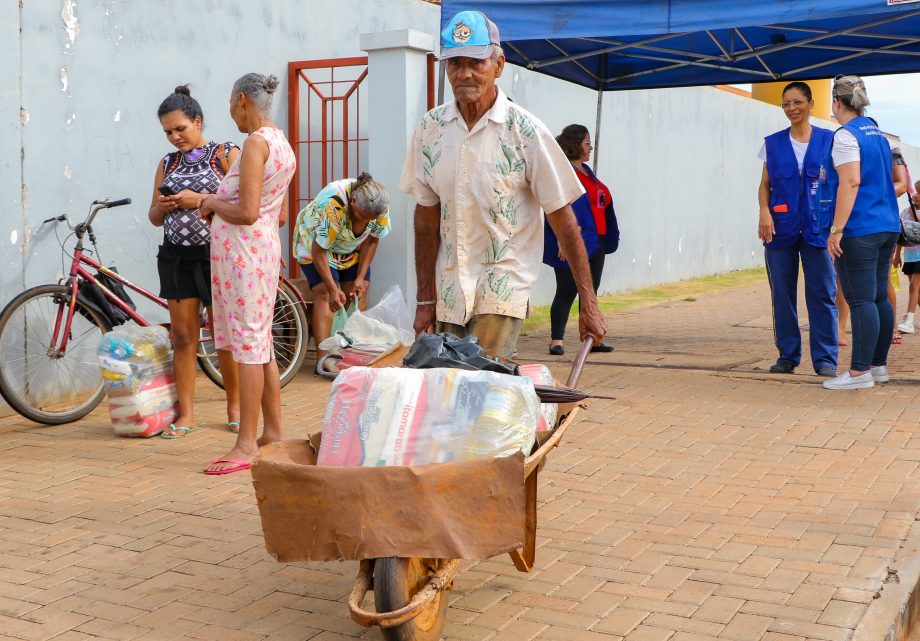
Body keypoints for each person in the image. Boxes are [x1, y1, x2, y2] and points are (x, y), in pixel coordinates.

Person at [400, 10, 607, 358]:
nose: (464, 73)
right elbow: (426, 218)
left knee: (484, 396)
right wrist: (424, 299)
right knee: (449, 395)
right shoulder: (430, 130)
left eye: (475, 63)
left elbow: (563, 218)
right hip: (449, 291)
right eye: (455, 64)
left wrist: (589, 302)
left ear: (498, 65)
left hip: (502, 289)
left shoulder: (526, 132)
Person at [198, 73, 296, 473]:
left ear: (241, 100)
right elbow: (279, 213)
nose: (230, 113)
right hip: (257, 252)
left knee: (249, 347)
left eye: (229, 104)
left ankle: (246, 445)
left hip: (245, 256)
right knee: (260, 343)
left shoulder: (256, 144)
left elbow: (247, 212)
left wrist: (206, 200)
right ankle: (271, 432)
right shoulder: (281, 143)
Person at [147, 85, 240, 438]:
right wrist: (164, 206)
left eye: (180, 129)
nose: (174, 137)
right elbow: (153, 216)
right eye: (168, 132)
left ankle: (234, 406)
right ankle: (185, 415)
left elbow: (244, 202)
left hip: (215, 257)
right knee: (183, 337)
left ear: (197, 121)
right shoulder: (167, 163)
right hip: (175, 257)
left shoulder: (226, 154)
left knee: (223, 336)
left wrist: (197, 199)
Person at [819, 75, 900, 390]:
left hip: (861, 228)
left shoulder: (846, 135)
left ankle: (858, 373)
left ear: (836, 103)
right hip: (887, 225)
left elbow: (850, 183)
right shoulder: (877, 133)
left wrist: (836, 229)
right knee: (879, 297)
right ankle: (878, 367)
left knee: (861, 299)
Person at [756, 81, 837, 377]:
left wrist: (837, 227)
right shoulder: (772, 143)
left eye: (797, 102)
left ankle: (826, 359)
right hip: (779, 229)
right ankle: (788, 356)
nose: (792, 109)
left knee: (823, 293)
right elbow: (764, 185)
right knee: (782, 294)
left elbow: (840, 184)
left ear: (811, 104)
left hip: (819, 229)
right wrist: (764, 212)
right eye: (786, 104)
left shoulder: (830, 140)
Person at [291, 174, 391, 373]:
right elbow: (319, 251)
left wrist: (361, 279)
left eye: (372, 219)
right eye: (363, 217)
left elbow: (372, 240)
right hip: (315, 244)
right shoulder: (334, 205)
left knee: (355, 293)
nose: (368, 222)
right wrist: (331, 286)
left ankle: (351, 354)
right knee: (328, 295)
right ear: (353, 203)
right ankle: (324, 360)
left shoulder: (378, 205)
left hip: (349, 246)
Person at [544, 124, 619, 355]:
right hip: (573, 241)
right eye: (587, 142)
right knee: (566, 290)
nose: (591, 147)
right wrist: (561, 241)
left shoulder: (586, 170)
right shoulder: (563, 172)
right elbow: (555, 207)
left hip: (595, 239)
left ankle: (591, 337)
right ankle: (557, 340)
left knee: (590, 291)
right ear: (575, 144)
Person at [836, 145, 909, 346]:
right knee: (842, 281)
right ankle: (840, 328)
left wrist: (869, 195)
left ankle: (891, 328)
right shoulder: (850, 150)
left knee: (882, 283)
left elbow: (902, 185)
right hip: (854, 224)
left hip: (881, 223)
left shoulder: (892, 152)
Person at [896, 179, 920, 335]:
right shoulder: (905, 211)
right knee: (917, 291)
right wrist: (896, 255)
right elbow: (900, 235)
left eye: (919, 192)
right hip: (910, 255)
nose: (916, 195)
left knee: (914, 286)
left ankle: (909, 320)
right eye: (914, 191)